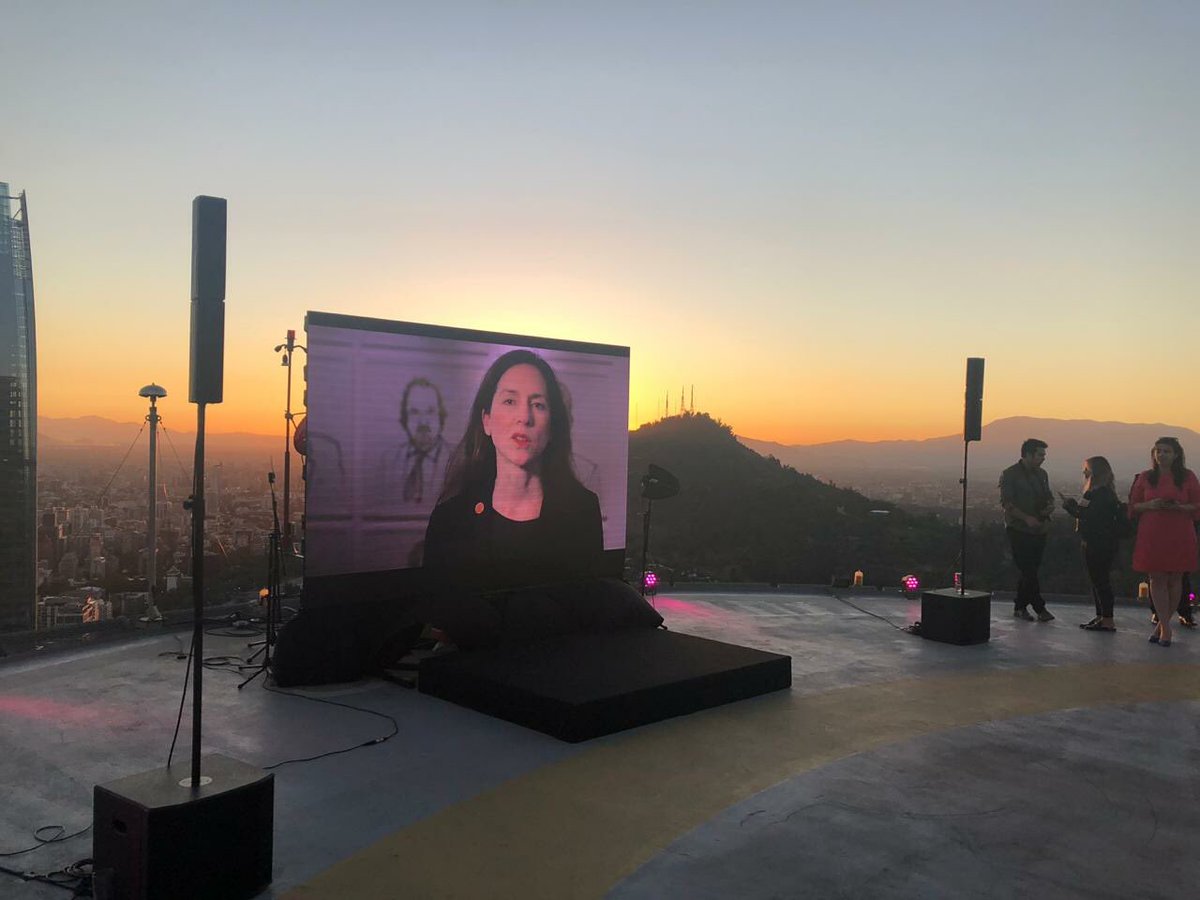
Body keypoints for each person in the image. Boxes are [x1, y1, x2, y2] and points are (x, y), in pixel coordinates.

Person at [422, 349, 602, 583]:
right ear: (486, 420)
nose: (524, 417)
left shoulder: (582, 510)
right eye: (510, 401)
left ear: (552, 427)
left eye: (538, 405)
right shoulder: (450, 519)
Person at [1128, 437, 1200, 647]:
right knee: (1156, 577)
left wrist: (1179, 507)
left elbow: (1197, 504)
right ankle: (1165, 629)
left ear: (1176, 455)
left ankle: (1162, 627)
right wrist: (1151, 504)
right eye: (1158, 450)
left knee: (1175, 579)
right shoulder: (1146, 477)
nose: (1161, 454)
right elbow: (1133, 506)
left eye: (1166, 451)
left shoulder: (1187, 477)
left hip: (1179, 532)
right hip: (1152, 532)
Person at [1061, 456, 1123, 632]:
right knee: (1098, 580)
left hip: (1097, 543)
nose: (1084, 473)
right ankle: (1101, 616)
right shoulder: (1105, 493)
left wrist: (1071, 507)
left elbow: (1089, 516)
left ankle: (1107, 619)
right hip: (1101, 542)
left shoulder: (1098, 494)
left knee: (1100, 581)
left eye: (1086, 470)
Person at [999, 438, 1055, 622]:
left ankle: (1020, 607)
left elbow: (1048, 496)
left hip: (1040, 528)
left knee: (1029, 570)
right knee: (1028, 569)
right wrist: (1026, 518)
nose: (1043, 458)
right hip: (1019, 529)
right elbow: (1007, 503)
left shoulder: (1042, 474)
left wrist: (1049, 507)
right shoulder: (1010, 474)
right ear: (1028, 454)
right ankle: (1040, 607)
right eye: (1040, 454)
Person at [377, 377, 450, 508]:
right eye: (414, 412)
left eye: (430, 411)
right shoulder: (388, 460)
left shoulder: (459, 461)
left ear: (441, 416)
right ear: (404, 418)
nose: (423, 422)